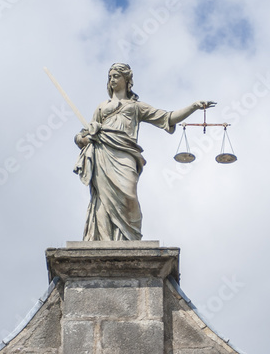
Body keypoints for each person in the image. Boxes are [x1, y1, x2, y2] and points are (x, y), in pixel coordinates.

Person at [74, 63, 214, 241]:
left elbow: (167, 117)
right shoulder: (102, 107)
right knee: (102, 196)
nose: (112, 79)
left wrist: (193, 107)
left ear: (127, 80)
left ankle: (128, 238)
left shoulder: (136, 107)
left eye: (116, 76)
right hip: (103, 152)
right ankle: (105, 239)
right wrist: (85, 138)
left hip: (126, 154)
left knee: (129, 196)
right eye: (110, 77)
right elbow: (82, 137)